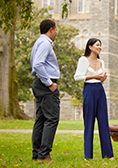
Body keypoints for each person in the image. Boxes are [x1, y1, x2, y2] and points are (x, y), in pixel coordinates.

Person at [74, 38, 114, 160]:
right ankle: (88, 156)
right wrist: (93, 76)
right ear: (90, 47)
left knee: (103, 122)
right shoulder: (83, 60)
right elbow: (77, 77)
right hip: (89, 90)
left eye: (100, 45)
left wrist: (101, 79)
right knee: (89, 123)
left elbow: (99, 77)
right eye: (97, 45)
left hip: (100, 90)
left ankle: (108, 155)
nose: (99, 47)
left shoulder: (101, 61)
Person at [30, 19, 60, 164]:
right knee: (52, 118)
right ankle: (44, 155)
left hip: (39, 83)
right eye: (56, 29)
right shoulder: (45, 43)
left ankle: (37, 155)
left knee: (41, 119)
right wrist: (49, 83)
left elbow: (34, 63)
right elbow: (37, 64)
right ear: (51, 29)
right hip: (46, 85)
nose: (56, 32)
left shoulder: (38, 42)